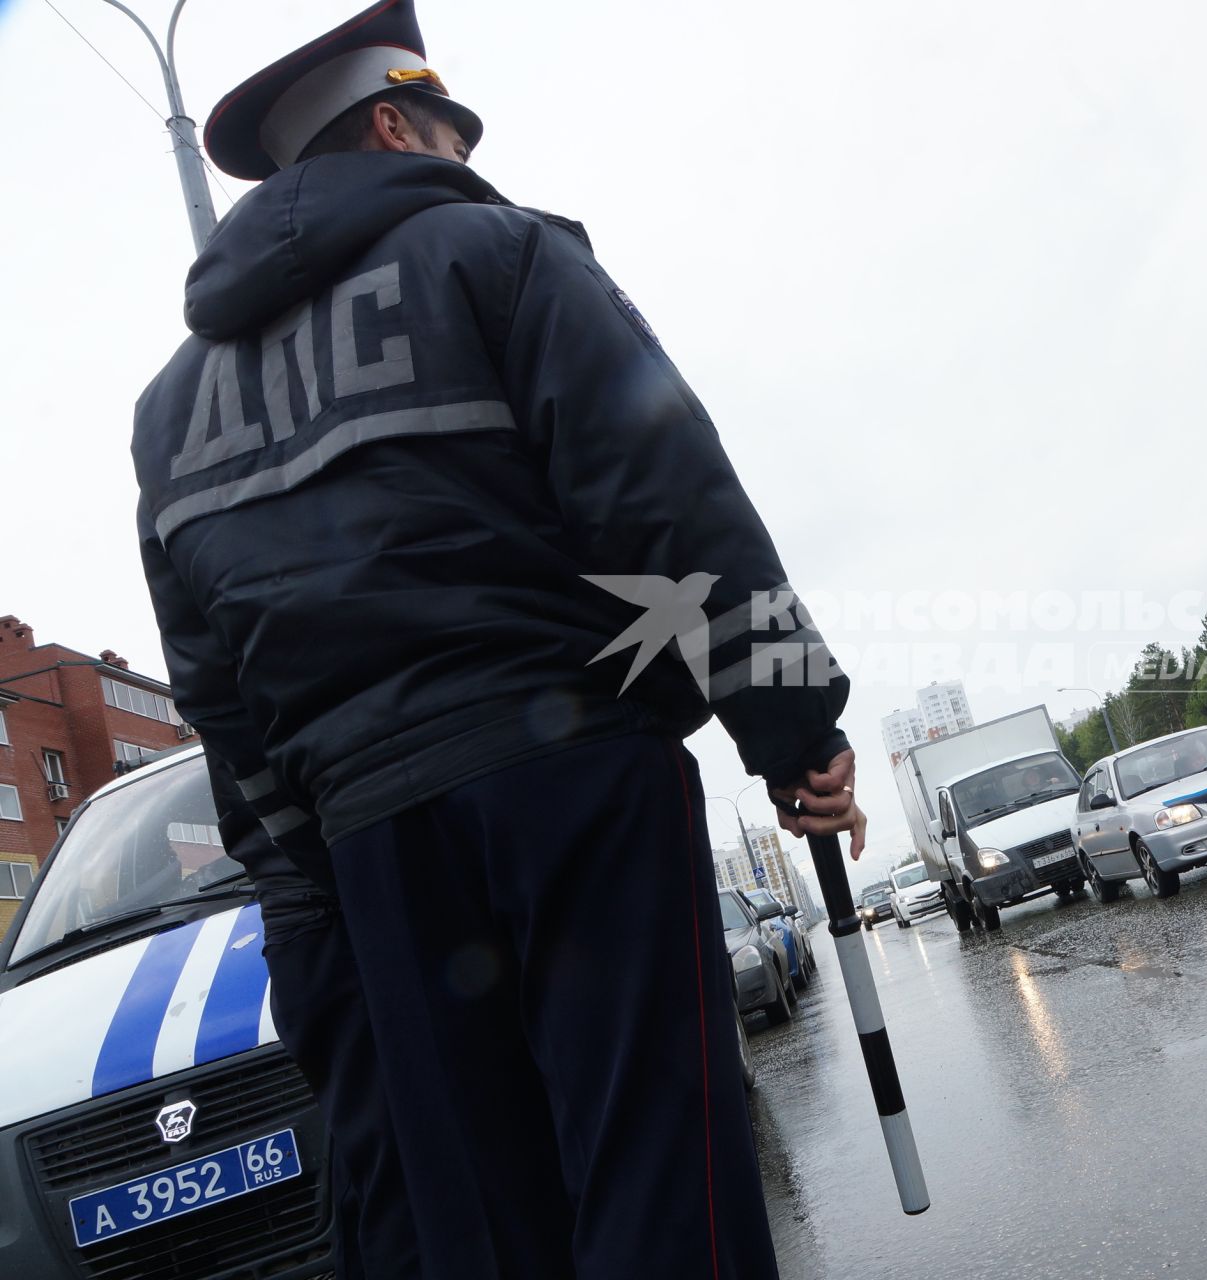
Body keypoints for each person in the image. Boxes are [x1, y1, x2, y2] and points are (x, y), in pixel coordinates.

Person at [131, 2, 864, 1275]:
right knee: (655, 1169)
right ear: (392, 123)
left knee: (479, 1219)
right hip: (573, 781)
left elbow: (218, 696)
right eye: (449, 138)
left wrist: (306, 896)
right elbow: (674, 509)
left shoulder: (169, 414)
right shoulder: (500, 256)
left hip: (369, 853)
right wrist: (796, 731)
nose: (466, 166)